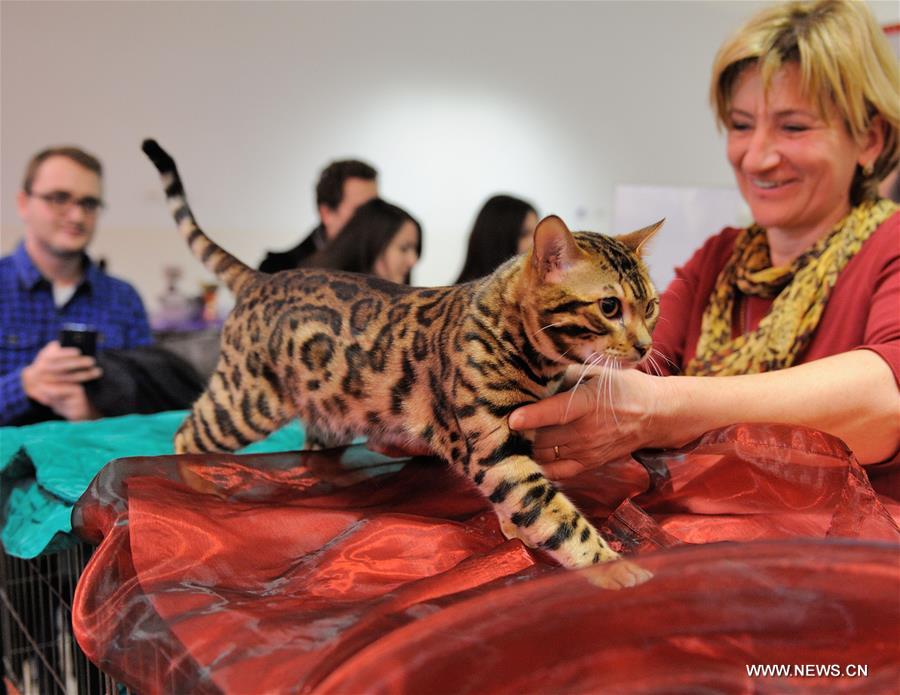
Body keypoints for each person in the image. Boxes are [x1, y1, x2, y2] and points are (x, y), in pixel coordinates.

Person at [509, 0, 899, 473]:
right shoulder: (719, 259)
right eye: (740, 125)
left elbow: (883, 399)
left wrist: (661, 411)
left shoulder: (890, 245)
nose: (756, 158)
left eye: (793, 127)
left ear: (870, 139)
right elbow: (629, 368)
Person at [0, 146, 153, 426]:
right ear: (24, 204)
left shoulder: (124, 299)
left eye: (89, 203)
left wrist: (98, 413)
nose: (77, 217)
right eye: (59, 198)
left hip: (95, 464)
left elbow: (151, 401)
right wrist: (23, 386)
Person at [258, 159, 378, 273]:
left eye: (377, 207)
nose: (374, 217)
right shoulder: (277, 271)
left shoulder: (385, 266)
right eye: (360, 209)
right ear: (326, 213)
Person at [303, 197, 422, 285]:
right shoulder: (316, 294)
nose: (413, 260)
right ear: (374, 244)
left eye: (415, 249)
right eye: (404, 248)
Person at [455, 194, 538, 283]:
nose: (536, 241)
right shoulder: (462, 296)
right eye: (524, 234)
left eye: (538, 232)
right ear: (497, 241)